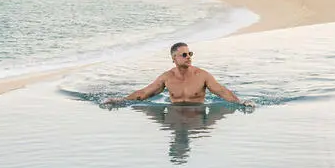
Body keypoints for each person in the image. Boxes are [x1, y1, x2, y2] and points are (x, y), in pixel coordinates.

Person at [101, 42, 252, 108]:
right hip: (175, 114)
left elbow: (222, 91)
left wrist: (241, 102)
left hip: (197, 115)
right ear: (174, 58)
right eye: (184, 55)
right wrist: (121, 101)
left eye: (190, 53)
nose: (189, 57)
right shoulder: (167, 78)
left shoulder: (202, 75)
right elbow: (144, 93)